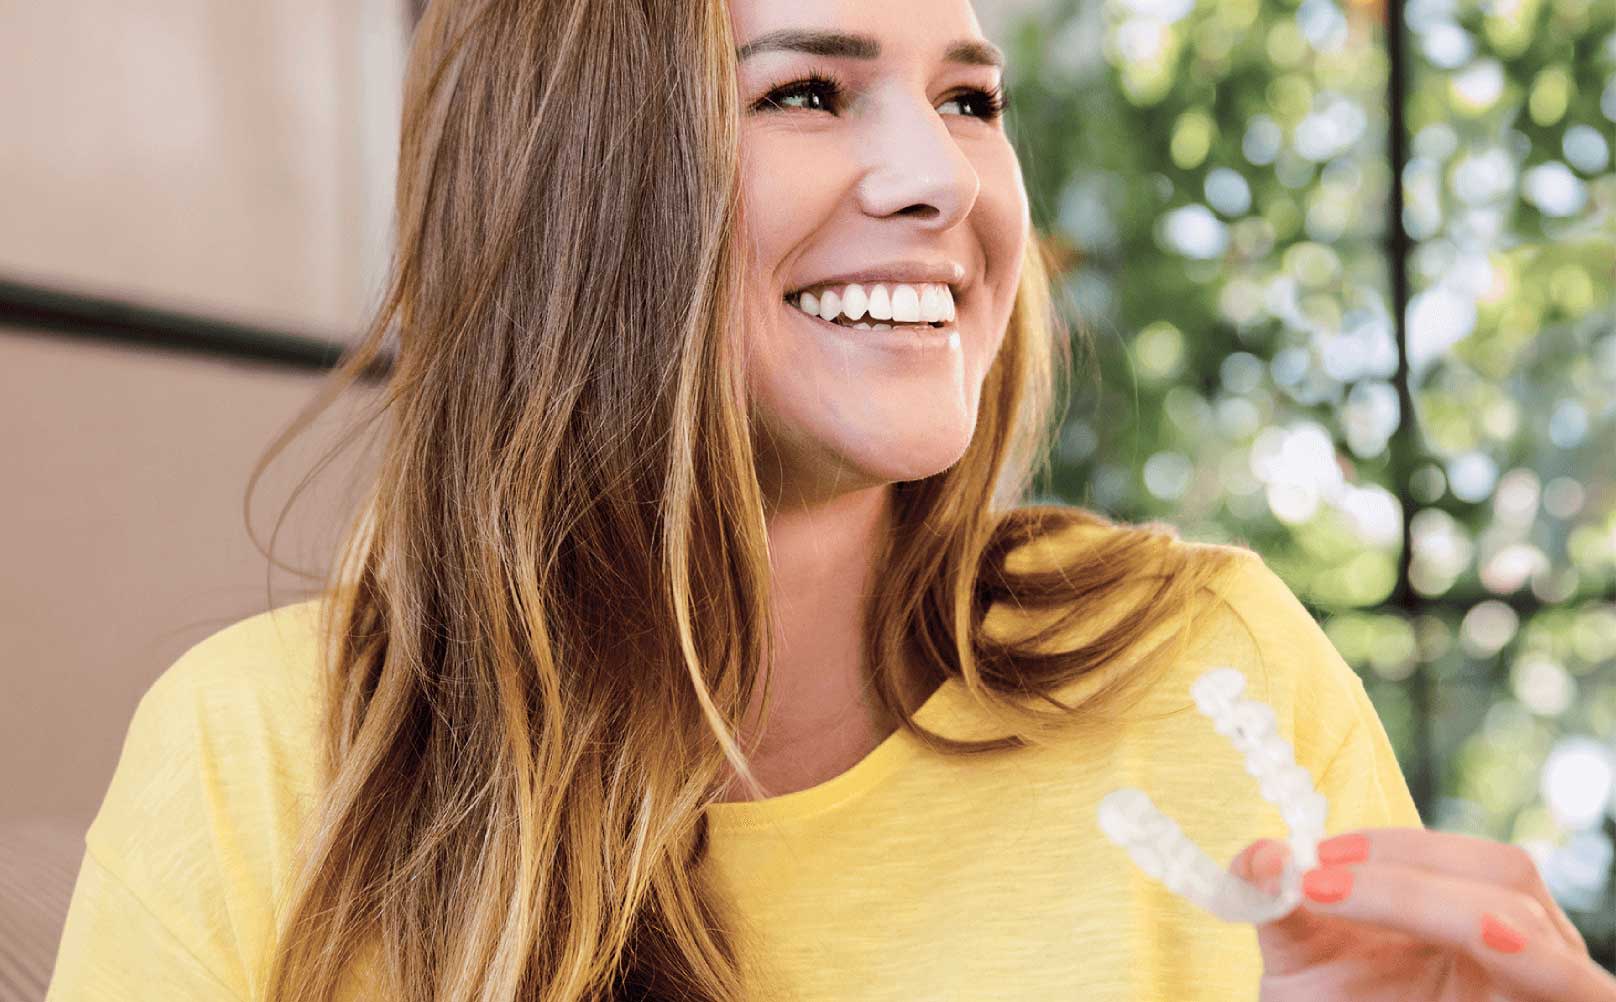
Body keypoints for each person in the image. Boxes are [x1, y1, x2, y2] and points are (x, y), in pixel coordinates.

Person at [46, 0, 1616, 1000]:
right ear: (570, 181)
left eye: (970, 101)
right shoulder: (265, 759)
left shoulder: (1201, 667)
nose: (942, 176)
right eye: (806, 92)